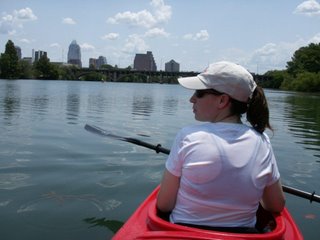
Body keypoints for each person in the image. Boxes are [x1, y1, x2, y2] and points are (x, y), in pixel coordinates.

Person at [156, 61, 285, 232]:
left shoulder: (187, 136)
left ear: (222, 100)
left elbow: (164, 205)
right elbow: (276, 205)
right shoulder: (262, 141)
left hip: (184, 233)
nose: (191, 99)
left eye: (199, 93)